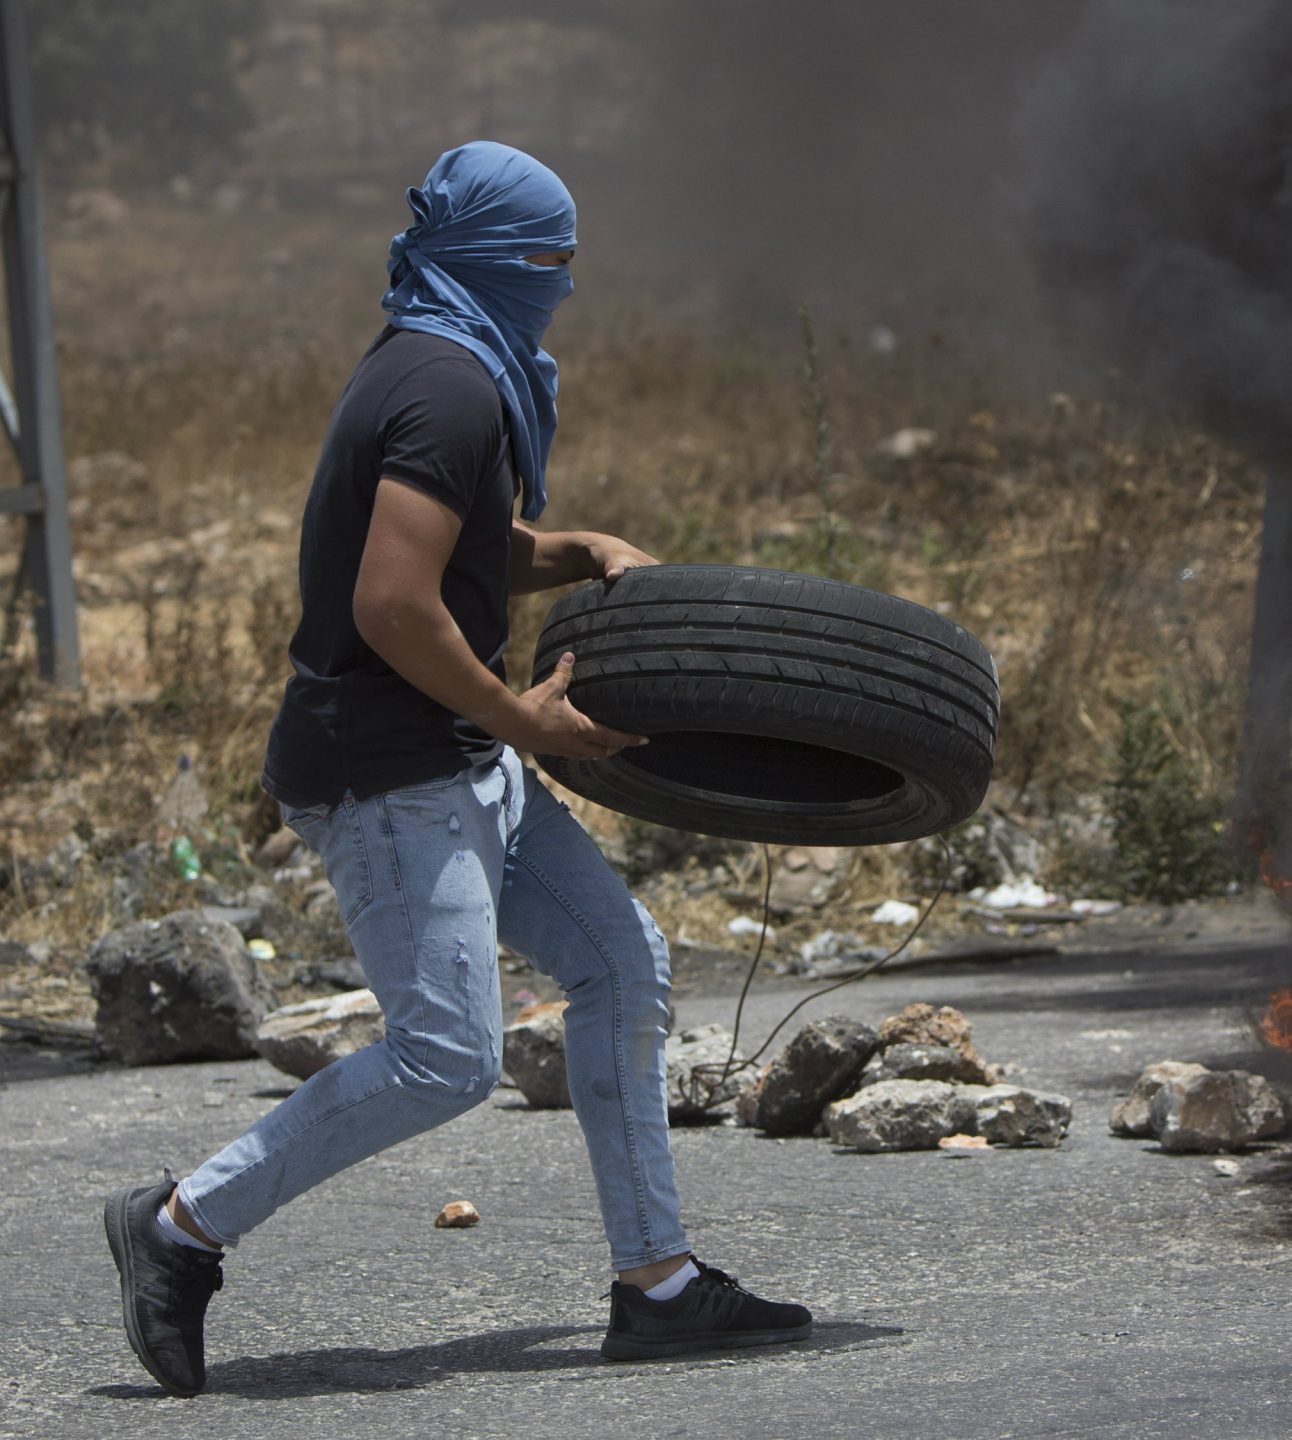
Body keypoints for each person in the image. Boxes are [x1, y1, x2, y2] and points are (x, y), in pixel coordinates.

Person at [102, 141, 811, 1398]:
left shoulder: (449, 355)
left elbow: (460, 547)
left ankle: (657, 1286)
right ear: (494, 256)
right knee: (444, 1057)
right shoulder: (447, 385)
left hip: (456, 752)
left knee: (621, 966)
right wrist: (521, 719)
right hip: (388, 770)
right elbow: (391, 602)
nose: (563, 286)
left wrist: (573, 548)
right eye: (549, 259)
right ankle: (178, 1227)